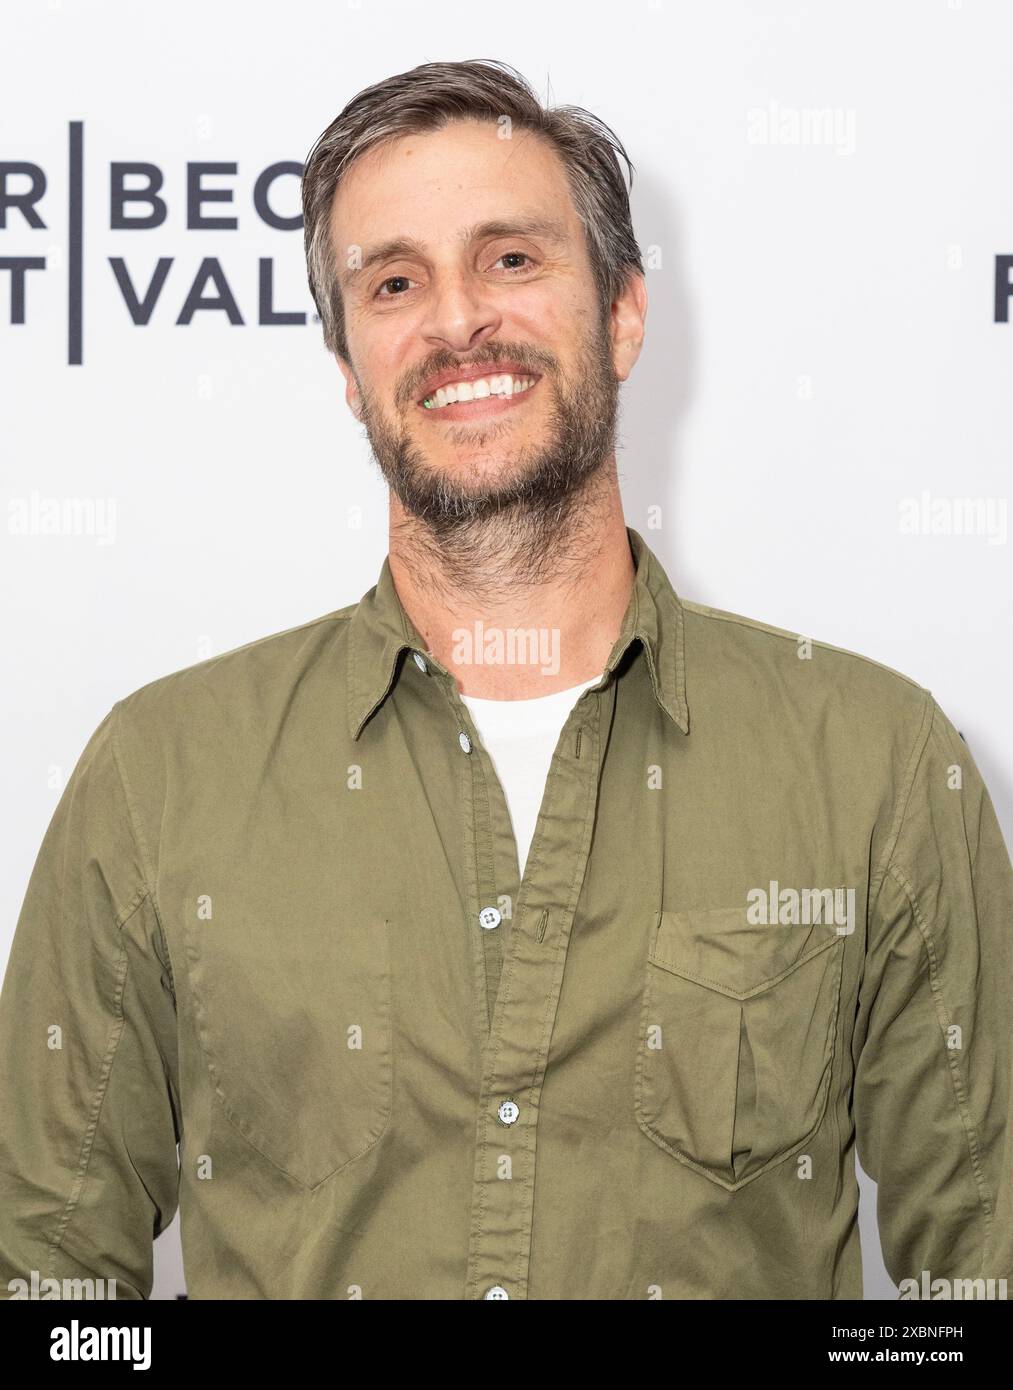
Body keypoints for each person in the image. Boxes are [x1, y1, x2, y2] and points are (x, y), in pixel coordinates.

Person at [2, 59, 1011, 1302]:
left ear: (625, 314)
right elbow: (47, 1294)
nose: (454, 323)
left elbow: (977, 1283)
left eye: (510, 261)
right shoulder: (158, 777)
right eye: (393, 282)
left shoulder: (876, 764)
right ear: (347, 366)